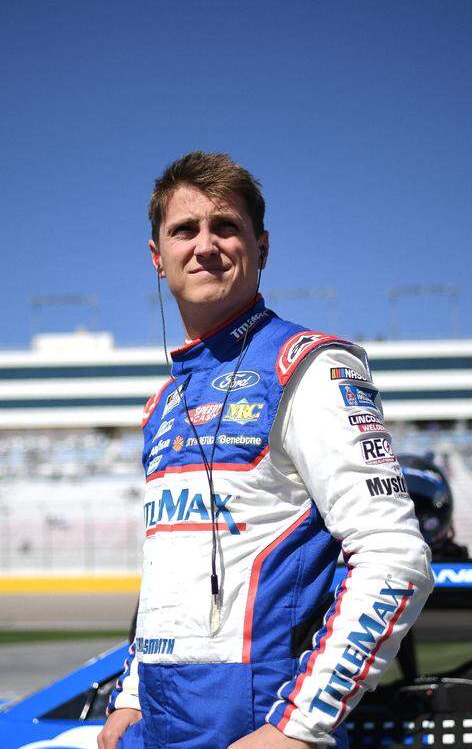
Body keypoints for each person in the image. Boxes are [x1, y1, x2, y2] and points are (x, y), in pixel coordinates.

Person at [98, 151, 433, 749]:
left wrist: (297, 729)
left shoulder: (309, 367)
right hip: (156, 729)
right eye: (184, 230)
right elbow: (169, 579)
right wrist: (128, 698)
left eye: (225, 227)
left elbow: (394, 556)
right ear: (158, 258)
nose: (204, 245)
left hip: (257, 728)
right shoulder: (163, 403)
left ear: (262, 247)